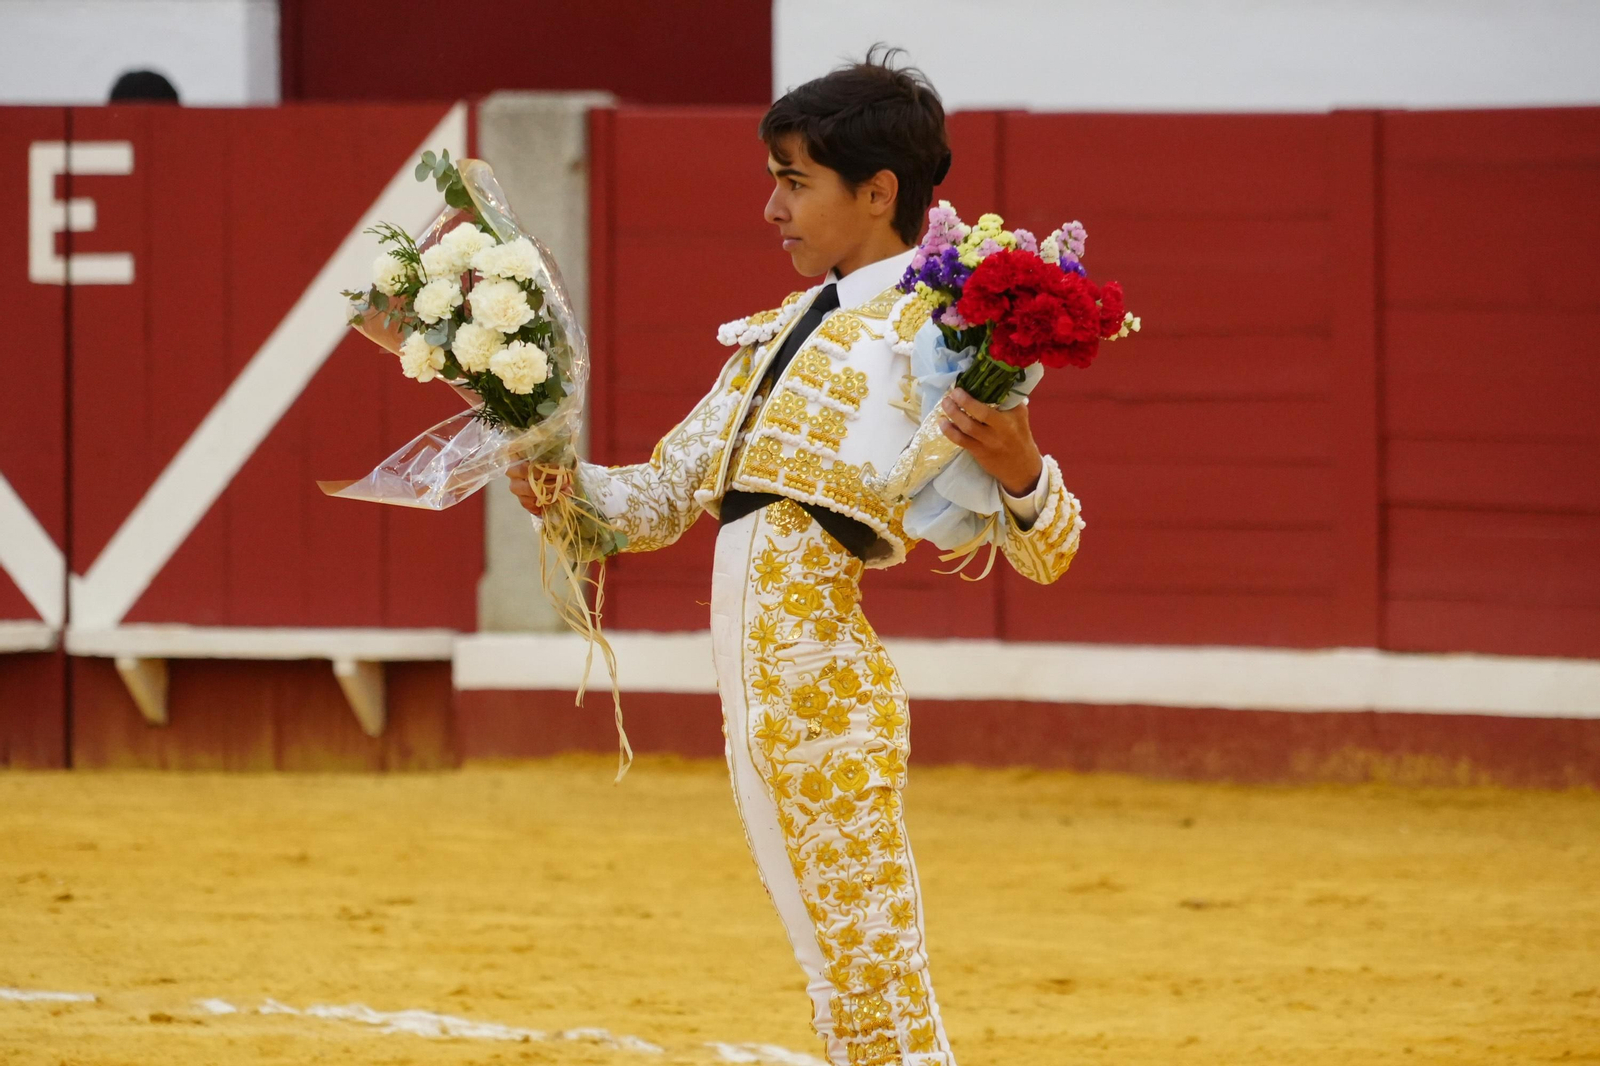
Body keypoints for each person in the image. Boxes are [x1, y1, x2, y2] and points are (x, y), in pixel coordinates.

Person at [509, 45, 1083, 1065]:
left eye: (792, 181)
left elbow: (1051, 551)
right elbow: (650, 502)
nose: (771, 207)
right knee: (838, 981)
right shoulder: (777, 333)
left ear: (877, 192)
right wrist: (546, 464)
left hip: (826, 708)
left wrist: (1025, 463)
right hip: (755, 716)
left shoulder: (944, 332)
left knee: (877, 981)